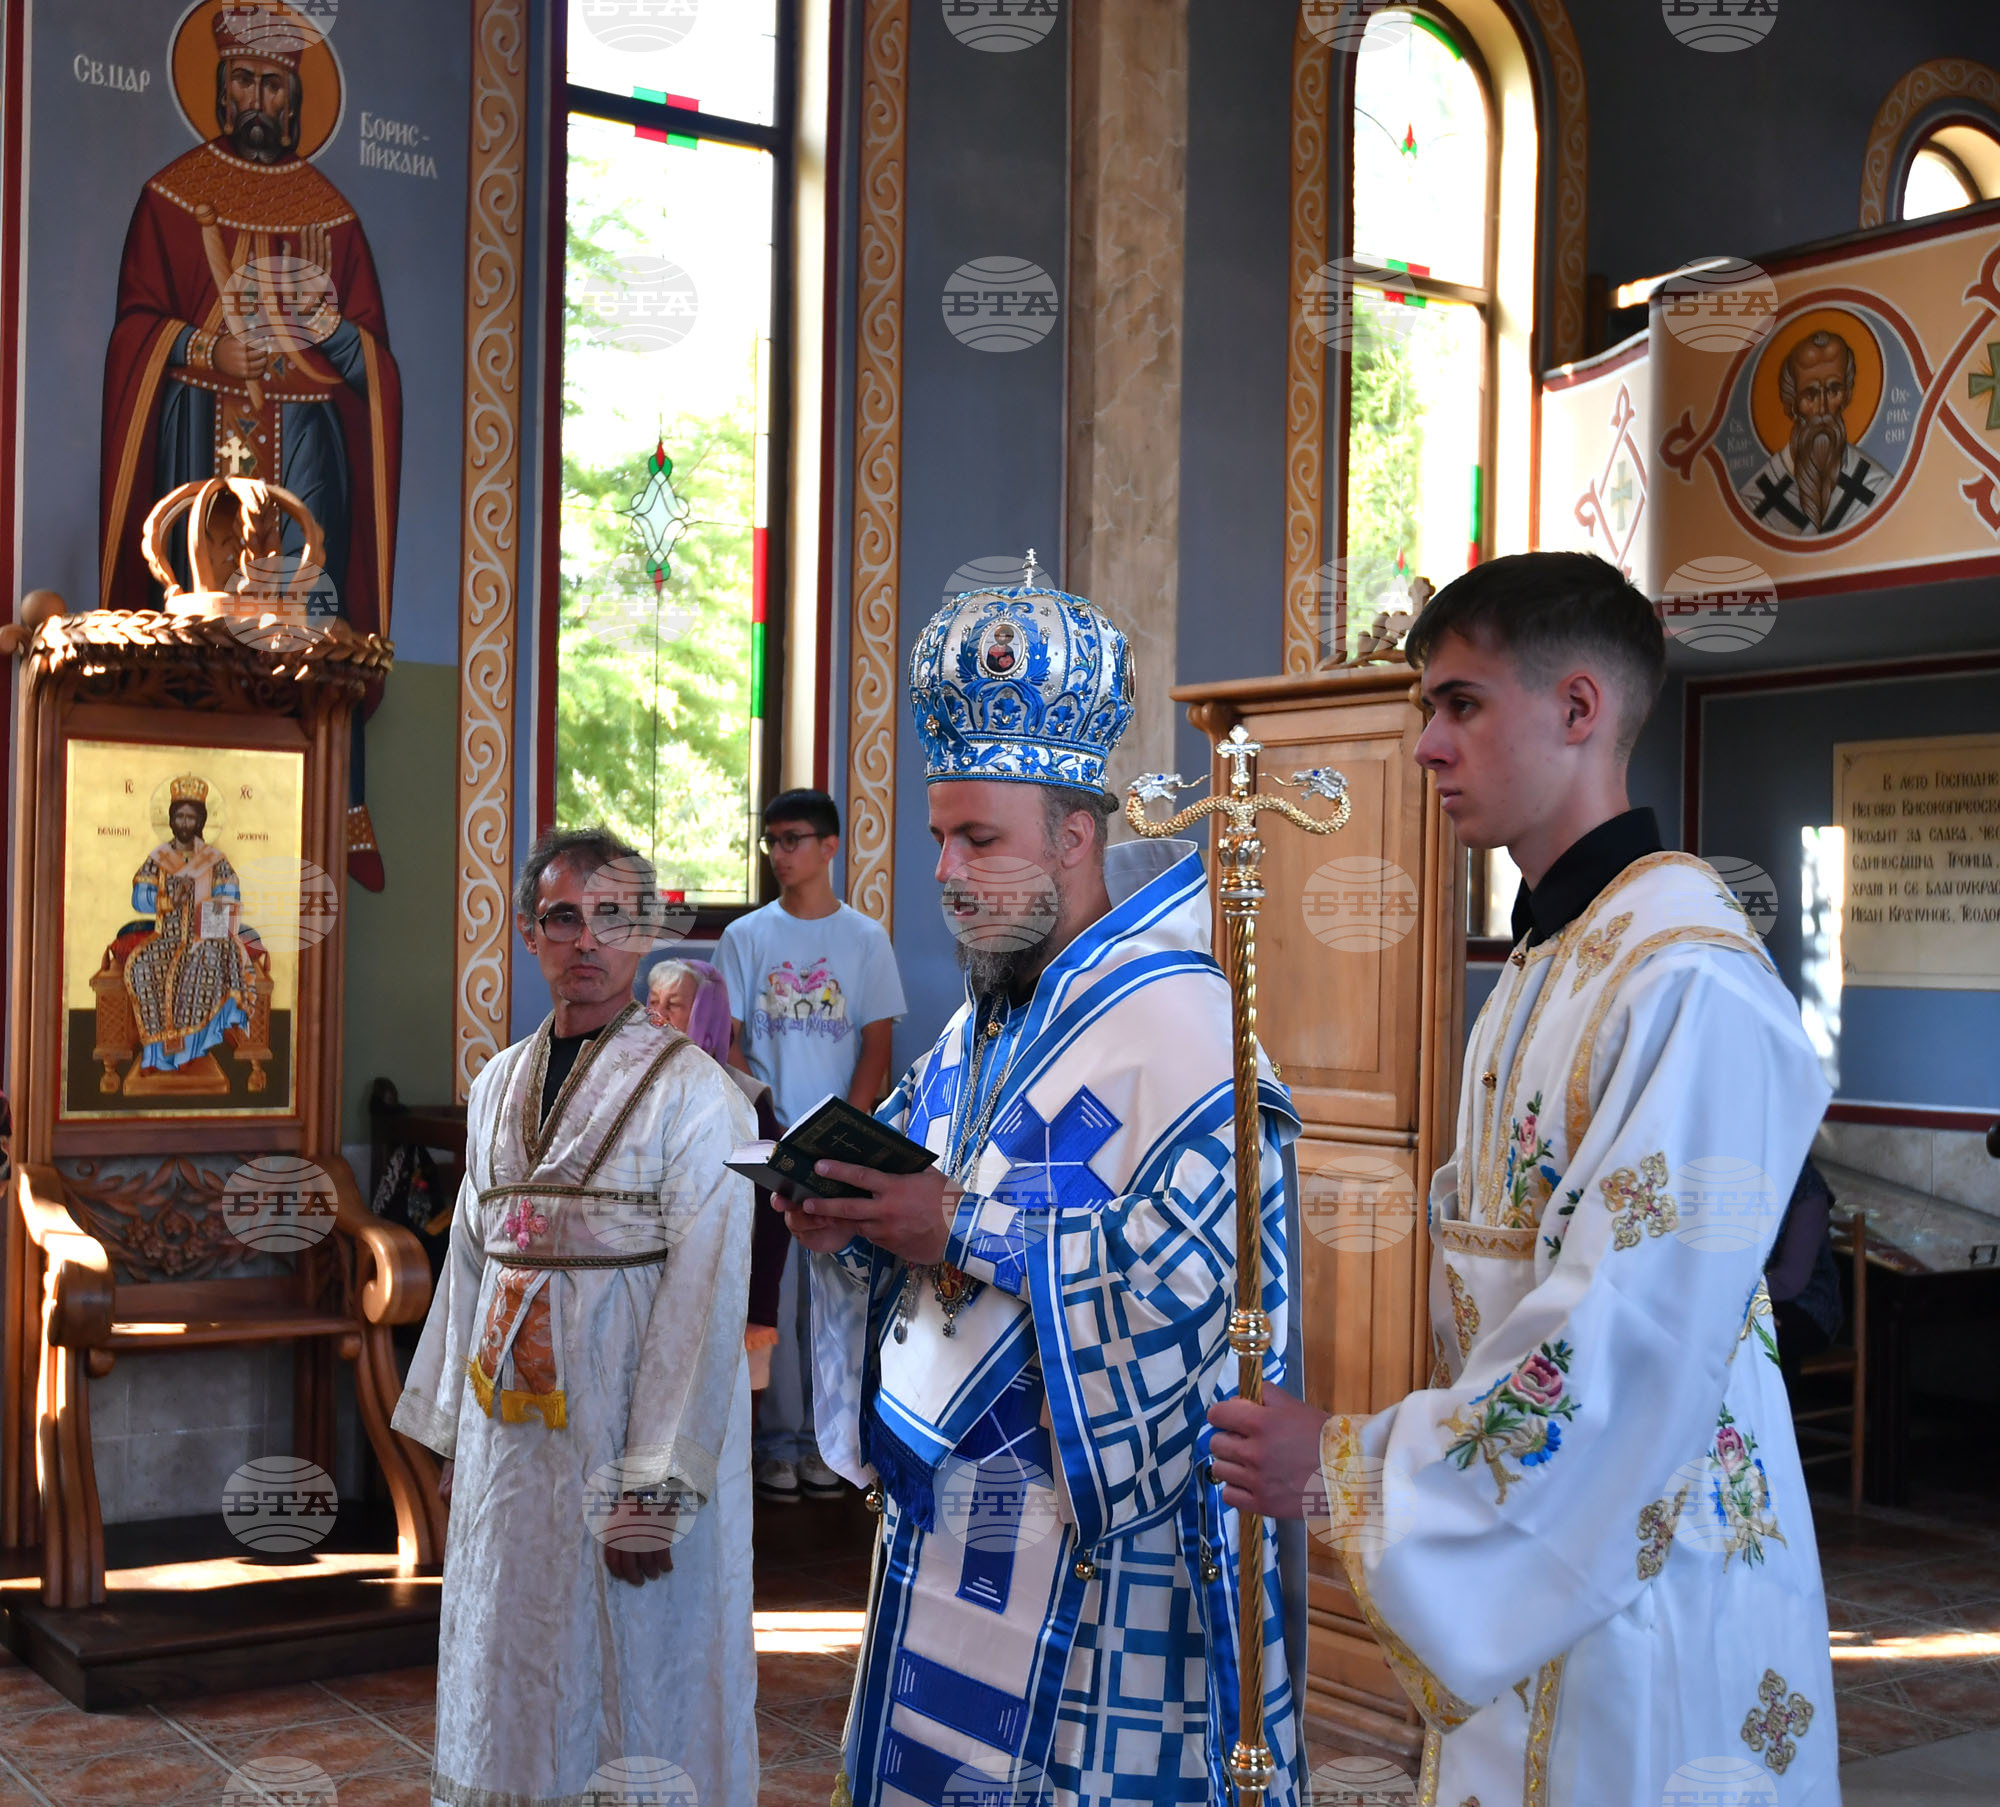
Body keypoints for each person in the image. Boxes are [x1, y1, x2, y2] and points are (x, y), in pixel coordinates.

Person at [1208, 552, 1838, 1806]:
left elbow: (1626, 1332)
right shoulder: (1547, 961)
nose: (1426, 745)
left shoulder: (1687, 979)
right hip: (1544, 1549)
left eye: (1461, 703)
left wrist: (1349, 1468)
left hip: (1650, 1565)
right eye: (1424, 708)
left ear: (1578, 707)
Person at [783, 568, 1307, 1805]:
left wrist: (957, 1227)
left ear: (1074, 838)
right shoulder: (985, 1020)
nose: (947, 871)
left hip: (1104, 1569)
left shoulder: (1188, 1033)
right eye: (937, 840)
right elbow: (915, 1196)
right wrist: (845, 1216)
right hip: (947, 1520)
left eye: (979, 840)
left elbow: (1193, 1296)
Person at [392, 829, 757, 1807]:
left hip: (621, 1445)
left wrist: (654, 1487)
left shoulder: (698, 1094)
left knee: (633, 1667)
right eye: (563, 918)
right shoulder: (496, 1083)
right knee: (506, 1657)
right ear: (528, 933)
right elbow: (471, 1265)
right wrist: (451, 1434)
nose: (587, 940)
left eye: (612, 918)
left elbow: (706, 1295)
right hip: (508, 1452)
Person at [102, 0, 402, 882]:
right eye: (245, 81)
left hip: (304, 436)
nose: (260, 99)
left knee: (311, 617)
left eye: (276, 85)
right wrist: (206, 350)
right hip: (198, 430)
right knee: (196, 616)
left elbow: (375, 366)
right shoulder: (171, 199)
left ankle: (324, 805)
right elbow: (134, 330)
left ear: (296, 99)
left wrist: (331, 331)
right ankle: (181, 801)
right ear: (221, 90)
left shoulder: (333, 218)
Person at [717, 788, 905, 1503]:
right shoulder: (746, 936)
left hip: (837, 1145)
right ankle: (777, 1445)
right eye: (770, 840)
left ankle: (832, 1446)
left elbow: (876, 1047)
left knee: (834, 1301)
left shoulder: (865, 939)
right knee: (770, 1297)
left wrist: (843, 1131)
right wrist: (767, 1122)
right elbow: (729, 1043)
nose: (779, 853)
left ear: (829, 847)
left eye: (792, 838)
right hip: (767, 1140)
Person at [649, 957, 790, 1390]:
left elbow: (772, 1211)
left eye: (673, 1005)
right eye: (652, 1001)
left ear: (705, 1015)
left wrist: (760, 1311)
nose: (657, 1014)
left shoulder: (745, 1100)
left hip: (726, 1295)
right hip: (649, 1295)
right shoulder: (634, 1091)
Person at [124, 776, 256, 1075]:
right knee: (142, 967)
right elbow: (139, 897)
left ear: (201, 821)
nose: (185, 822)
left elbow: (230, 895)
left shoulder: (214, 859)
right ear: (171, 820)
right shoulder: (159, 858)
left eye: (191, 817)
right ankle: (157, 1055)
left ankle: (191, 1051)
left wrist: (208, 921)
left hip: (207, 937)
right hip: (166, 937)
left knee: (199, 966)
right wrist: (168, 900)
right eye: (180, 816)